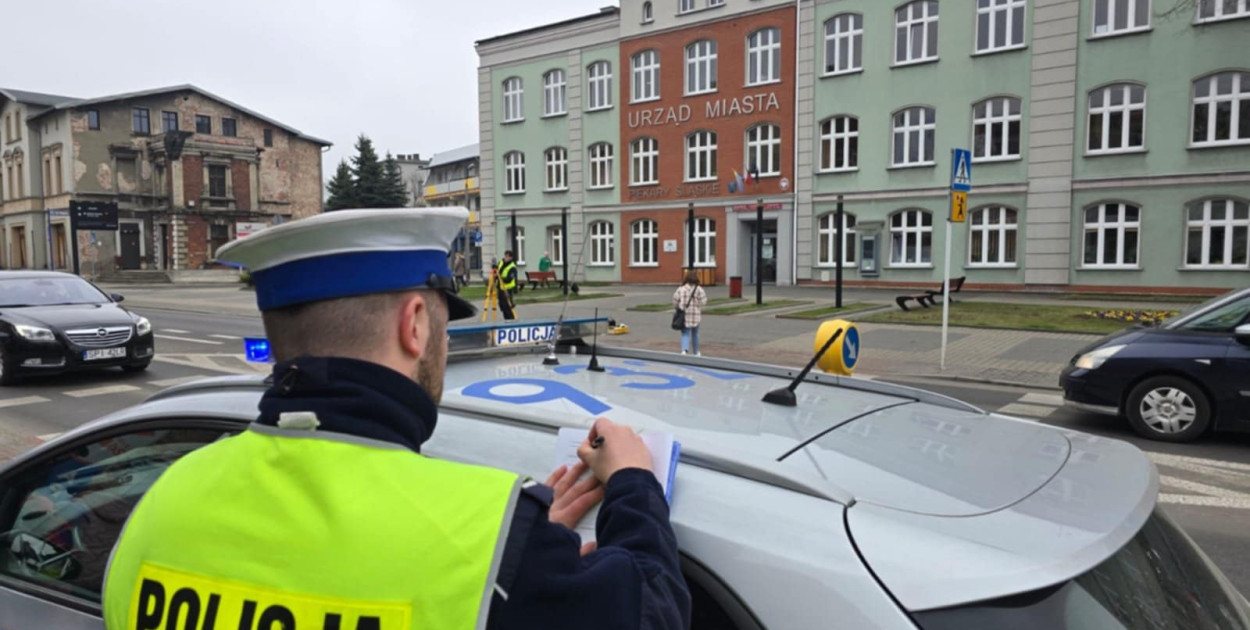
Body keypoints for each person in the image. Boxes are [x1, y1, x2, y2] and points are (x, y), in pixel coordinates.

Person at [102, 208, 690, 630]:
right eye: (440, 319)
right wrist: (633, 483)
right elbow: (652, 610)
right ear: (414, 323)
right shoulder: (486, 535)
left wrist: (517, 551)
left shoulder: (163, 501)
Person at [673, 271, 708, 356]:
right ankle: (696, 352)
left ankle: (684, 350)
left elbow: (675, 300)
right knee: (695, 333)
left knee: (685, 333)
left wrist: (678, 307)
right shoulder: (699, 289)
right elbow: (703, 301)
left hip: (685, 314)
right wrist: (698, 305)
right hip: (696, 315)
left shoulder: (681, 289)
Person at [495, 250, 519, 320]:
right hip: (500, 288)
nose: (505, 258)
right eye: (505, 256)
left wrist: (500, 277)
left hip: (507, 289)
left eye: (507, 256)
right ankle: (506, 319)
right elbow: (497, 271)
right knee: (502, 306)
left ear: (511, 258)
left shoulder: (512, 267)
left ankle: (511, 320)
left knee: (508, 306)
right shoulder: (501, 263)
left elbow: (509, 279)